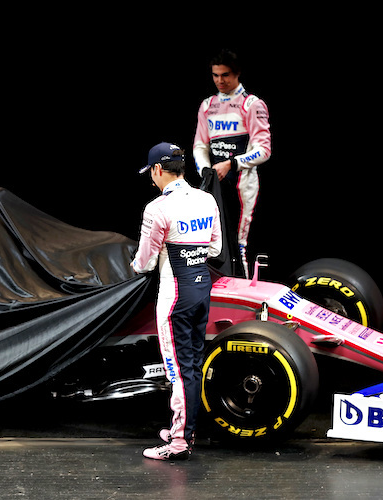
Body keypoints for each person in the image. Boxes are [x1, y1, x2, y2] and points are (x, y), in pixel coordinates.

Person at [131, 142, 222, 461]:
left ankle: (179, 442)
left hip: (174, 299)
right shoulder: (207, 199)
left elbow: (144, 263)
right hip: (201, 292)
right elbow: (214, 250)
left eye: (151, 173)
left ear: (158, 170)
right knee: (193, 365)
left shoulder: (157, 208)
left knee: (179, 371)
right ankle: (185, 429)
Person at [193, 49, 271, 278]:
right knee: (215, 243)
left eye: (225, 75)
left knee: (241, 245)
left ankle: (247, 295)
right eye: (215, 75)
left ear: (237, 74)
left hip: (242, 185)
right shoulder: (207, 105)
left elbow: (264, 150)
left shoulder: (252, 104)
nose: (220, 80)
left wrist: (232, 164)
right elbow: (199, 145)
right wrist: (205, 170)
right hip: (215, 184)